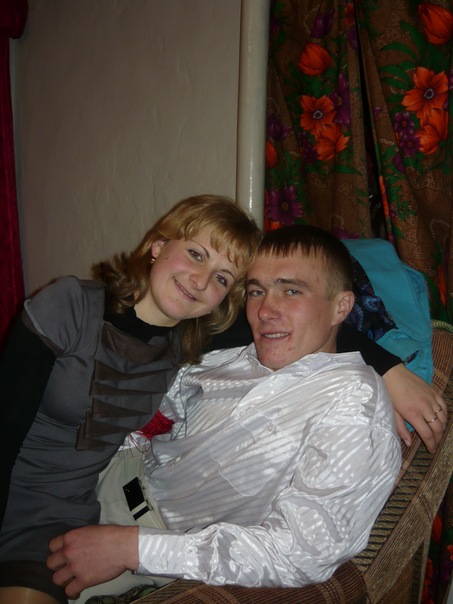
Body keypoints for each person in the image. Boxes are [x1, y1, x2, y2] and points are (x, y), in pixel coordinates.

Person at [47, 225, 405, 600]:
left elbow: (304, 552)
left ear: (341, 307)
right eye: (256, 291)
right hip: (102, 478)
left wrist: (129, 548)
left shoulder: (351, 401)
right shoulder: (230, 357)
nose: (265, 311)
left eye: (291, 291)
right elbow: (153, 413)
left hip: (152, 545)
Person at [0, 194, 262, 604]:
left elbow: (285, 321)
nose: (200, 281)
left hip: (51, 526)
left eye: (222, 278)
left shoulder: (183, 343)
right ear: (158, 246)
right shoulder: (69, 305)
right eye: (196, 254)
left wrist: (372, 356)